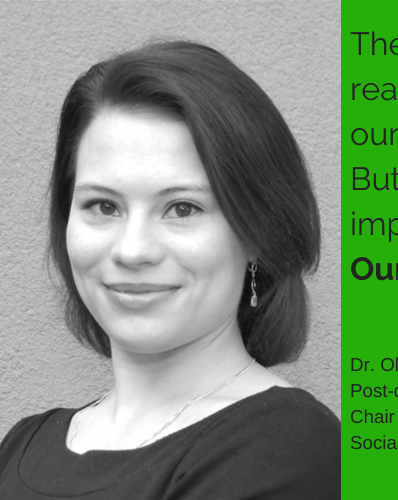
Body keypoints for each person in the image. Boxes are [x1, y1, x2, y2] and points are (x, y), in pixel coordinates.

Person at [0, 40, 340, 498]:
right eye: (103, 205)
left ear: (256, 232)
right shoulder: (22, 446)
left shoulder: (288, 447)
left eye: (182, 208)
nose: (132, 250)